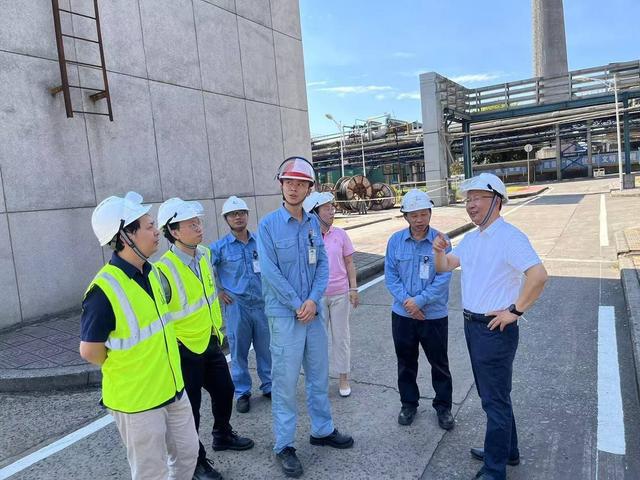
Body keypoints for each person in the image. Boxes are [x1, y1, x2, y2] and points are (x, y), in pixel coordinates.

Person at [433, 173, 548, 480]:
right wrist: (438, 250)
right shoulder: (473, 238)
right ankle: (507, 451)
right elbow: (445, 266)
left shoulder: (510, 237)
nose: (470, 205)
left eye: (477, 198)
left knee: (493, 400)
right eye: (468, 199)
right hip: (473, 326)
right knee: (495, 395)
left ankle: (495, 470)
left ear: (497, 200)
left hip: (494, 329)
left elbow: (538, 276)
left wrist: (515, 311)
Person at [80, 192, 199, 480]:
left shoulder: (151, 272)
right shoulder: (103, 290)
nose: (157, 231)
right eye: (149, 226)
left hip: (172, 388)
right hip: (138, 403)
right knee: (151, 473)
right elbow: (90, 351)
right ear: (125, 236)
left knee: (188, 454)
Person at [257, 156, 354, 478]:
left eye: (300, 184)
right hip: (285, 315)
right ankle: (284, 445)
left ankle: (322, 430)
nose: (294, 188)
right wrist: (299, 303)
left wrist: (313, 300)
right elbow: (270, 272)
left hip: (311, 311)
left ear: (309, 189)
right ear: (281, 185)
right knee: (285, 383)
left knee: (318, 375)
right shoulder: (268, 225)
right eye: (289, 183)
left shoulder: (313, 224)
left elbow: (323, 264)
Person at [156, 198, 254, 480]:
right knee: (191, 411)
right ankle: (195, 462)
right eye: (191, 224)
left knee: (225, 390)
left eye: (198, 222)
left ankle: (222, 434)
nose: (199, 227)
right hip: (184, 349)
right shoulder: (163, 270)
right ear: (174, 231)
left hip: (210, 341)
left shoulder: (205, 255)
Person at [384, 189, 455, 431]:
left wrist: (420, 301)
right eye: (414, 215)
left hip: (433, 315)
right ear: (405, 216)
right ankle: (408, 404)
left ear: (430, 214)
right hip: (403, 315)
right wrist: (409, 303)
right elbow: (391, 276)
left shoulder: (441, 241)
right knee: (405, 362)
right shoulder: (395, 241)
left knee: (439, 363)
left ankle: (443, 407)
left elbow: (444, 276)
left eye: (424, 214)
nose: (419, 220)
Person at [210, 195, 272, 414]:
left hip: (261, 305)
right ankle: (243, 392)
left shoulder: (260, 242)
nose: (238, 217)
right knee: (238, 352)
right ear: (226, 219)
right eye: (233, 214)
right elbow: (204, 270)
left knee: (265, 349)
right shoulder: (219, 248)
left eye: (241, 213)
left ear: (247, 215)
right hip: (237, 307)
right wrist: (218, 291)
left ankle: (268, 385)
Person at [303, 191, 359, 397]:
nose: (332, 211)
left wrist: (353, 288)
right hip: (316, 298)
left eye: (332, 207)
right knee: (317, 341)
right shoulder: (307, 238)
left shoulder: (340, 234)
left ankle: (343, 378)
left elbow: (349, 263)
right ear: (314, 213)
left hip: (340, 294)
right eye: (327, 209)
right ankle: (318, 380)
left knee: (341, 337)